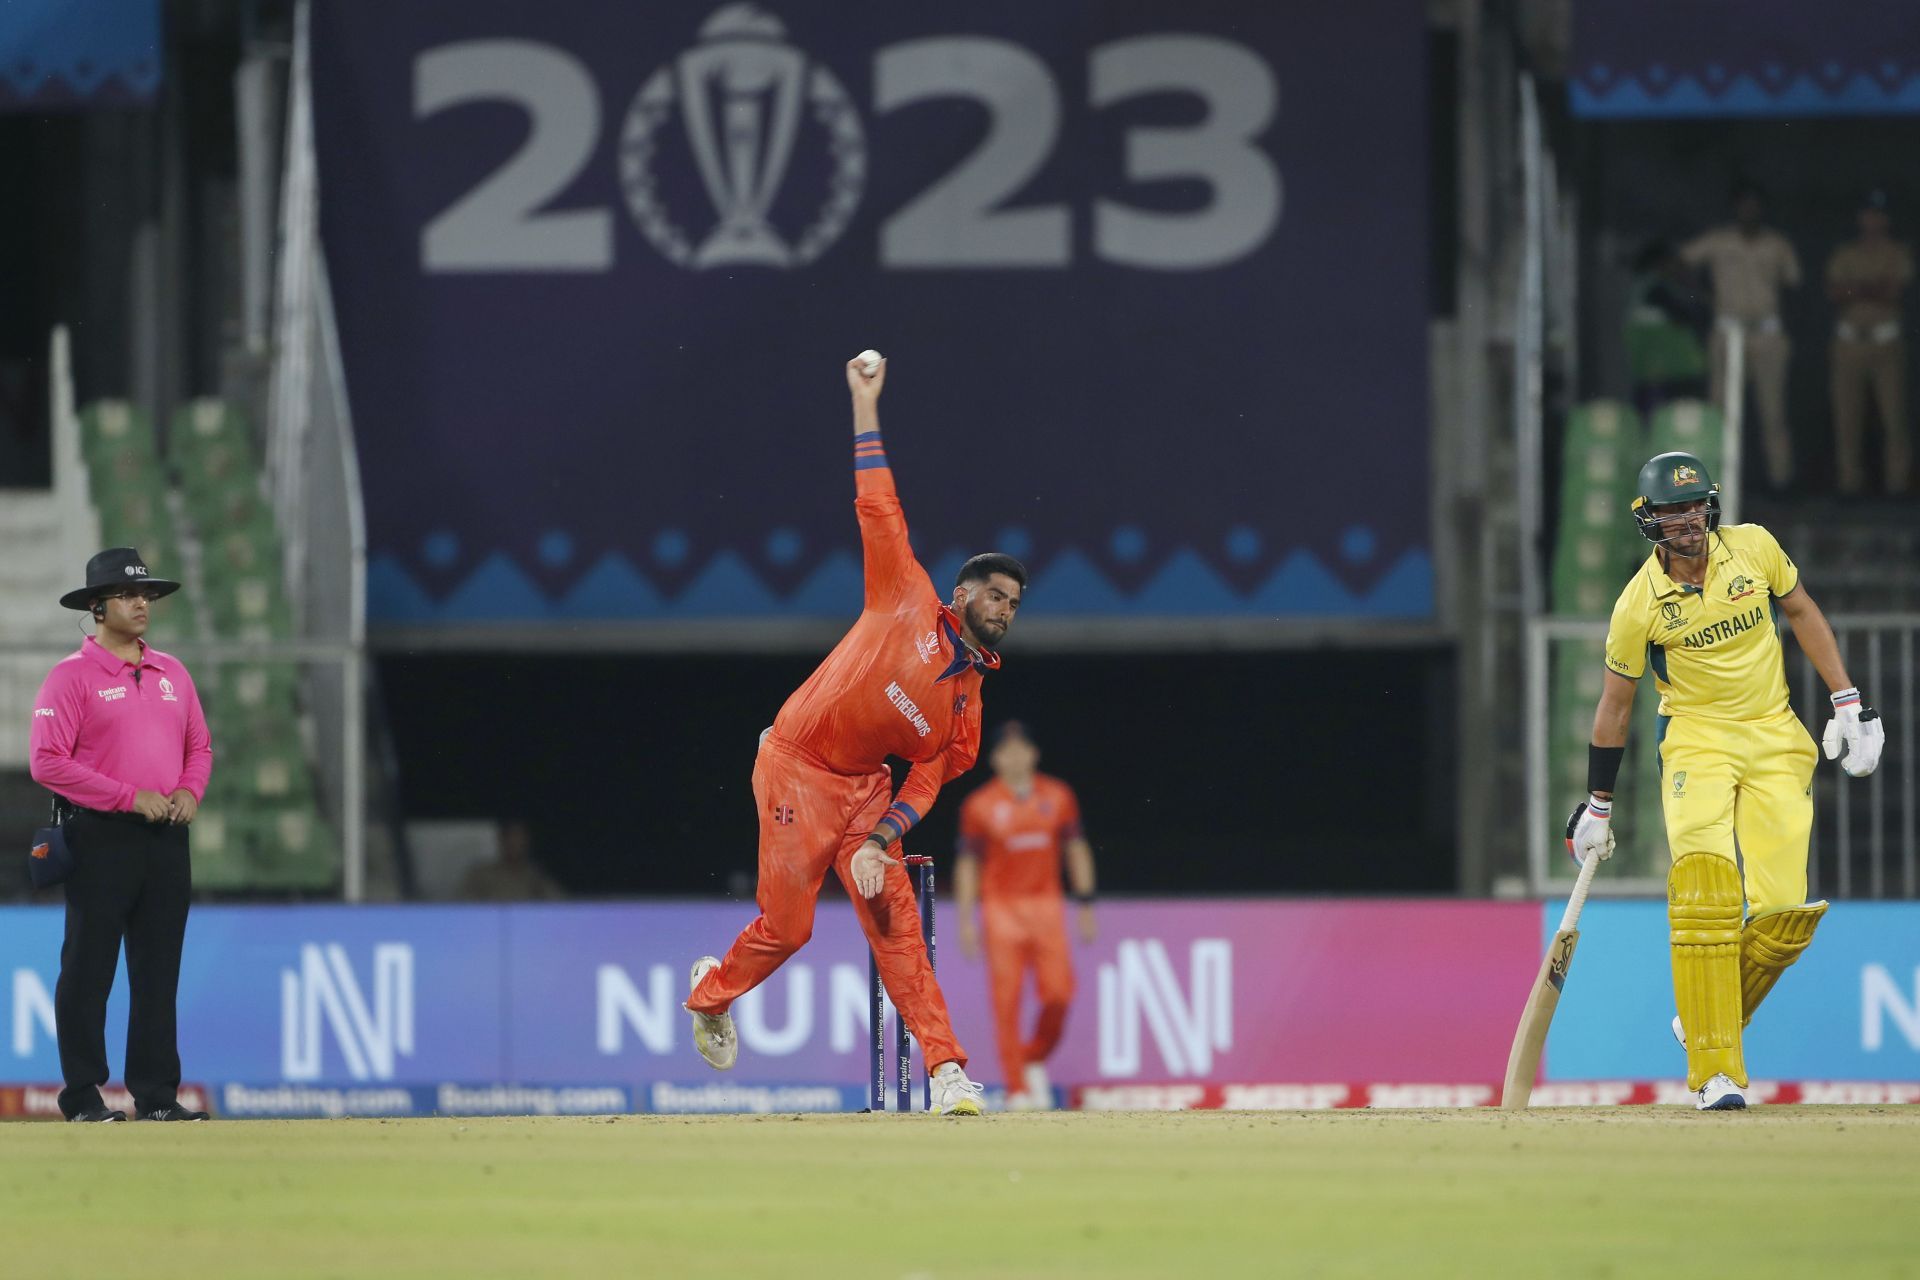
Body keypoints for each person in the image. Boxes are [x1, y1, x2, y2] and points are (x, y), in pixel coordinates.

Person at [684, 353, 1026, 1117]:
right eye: (995, 595)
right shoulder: (904, 594)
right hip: (796, 763)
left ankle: (949, 1074)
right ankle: (710, 997)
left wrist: (879, 841)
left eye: (1015, 603)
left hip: (867, 794)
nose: (1005, 609)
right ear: (963, 593)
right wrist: (863, 401)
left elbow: (928, 780)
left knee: (897, 927)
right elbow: (877, 501)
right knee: (790, 926)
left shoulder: (968, 705)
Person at [1569, 453, 1883, 1111]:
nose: (1686, 521)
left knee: (1784, 918)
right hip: (1697, 744)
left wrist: (1848, 701)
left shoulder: (1755, 549)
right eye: (1671, 512)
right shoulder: (1638, 605)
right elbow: (1616, 706)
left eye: (1693, 506)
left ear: (1709, 505)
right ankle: (1717, 1072)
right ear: (1648, 521)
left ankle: (1711, 1018)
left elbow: (1801, 611)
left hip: (1775, 737)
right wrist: (1597, 803)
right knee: (1707, 895)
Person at [28, 548, 214, 1122]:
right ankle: (82, 1096)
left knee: (158, 972)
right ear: (97, 606)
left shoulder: (172, 673)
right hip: (100, 838)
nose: (141, 603)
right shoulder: (70, 678)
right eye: (129, 594)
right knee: (88, 969)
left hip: (165, 841)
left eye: (147, 595)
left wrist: (189, 791)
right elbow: (46, 762)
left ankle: (157, 1096)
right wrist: (129, 797)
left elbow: (200, 747)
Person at [954, 721, 1096, 1110]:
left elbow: (1076, 849)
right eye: (1006, 751)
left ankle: (1032, 1057)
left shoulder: (1058, 796)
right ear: (995, 759)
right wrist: (966, 918)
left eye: (1022, 749)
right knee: (1007, 1002)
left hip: (1046, 907)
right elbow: (968, 864)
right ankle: (1017, 1089)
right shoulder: (980, 805)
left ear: (1034, 754)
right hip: (1001, 910)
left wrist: (1085, 902)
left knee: (1059, 994)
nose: (1015, 757)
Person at [1682, 182, 1803, 490]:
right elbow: (1680, 263)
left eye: (1754, 205)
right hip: (1728, 333)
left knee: (1772, 412)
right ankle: (1714, 483)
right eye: (1743, 205)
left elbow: (1794, 285)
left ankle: (1781, 483)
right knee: (1720, 412)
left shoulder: (1777, 244)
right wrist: (1704, 298)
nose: (1749, 211)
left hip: (1766, 333)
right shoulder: (1719, 241)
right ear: (1735, 208)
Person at [1825, 189, 1912, 495]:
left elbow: (1894, 291)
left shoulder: (1897, 252)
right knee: (1847, 419)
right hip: (1849, 342)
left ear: (1885, 219)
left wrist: (1856, 288)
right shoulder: (1845, 253)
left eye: (1878, 214)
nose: (1872, 220)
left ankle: (1897, 486)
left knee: (1893, 418)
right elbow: (1835, 293)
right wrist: (1868, 287)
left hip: (1885, 342)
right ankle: (1849, 485)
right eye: (1867, 213)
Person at [1625, 239, 1711, 419]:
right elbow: (1682, 315)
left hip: (1659, 368)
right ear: (1660, 263)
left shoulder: (1645, 285)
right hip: (1664, 367)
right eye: (1671, 263)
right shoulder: (1653, 286)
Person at [461, 820, 564, 901]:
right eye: (510, 837)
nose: (514, 843)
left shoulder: (536, 875)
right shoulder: (481, 874)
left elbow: (561, 904)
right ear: (501, 839)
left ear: (527, 841)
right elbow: (461, 905)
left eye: (519, 837)